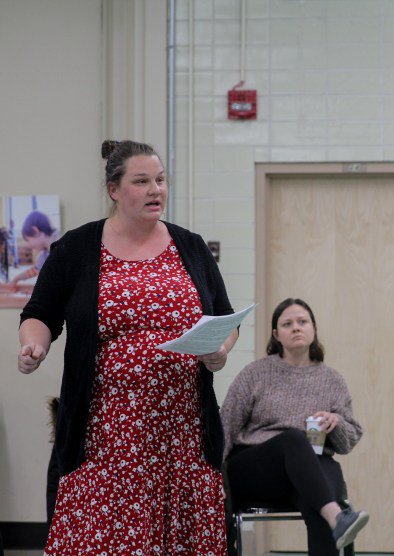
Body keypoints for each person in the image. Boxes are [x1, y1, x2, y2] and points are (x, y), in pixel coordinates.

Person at [18, 139, 238, 555]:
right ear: (114, 190)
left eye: (160, 179)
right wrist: (34, 346)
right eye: (141, 181)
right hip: (107, 429)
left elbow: (224, 317)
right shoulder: (77, 248)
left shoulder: (190, 246)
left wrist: (220, 349)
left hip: (183, 431)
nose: (156, 189)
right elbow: (40, 314)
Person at [221, 298, 369, 556]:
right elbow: (225, 426)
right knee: (294, 440)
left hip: (305, 470)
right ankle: (338, 517)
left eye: (303, 322)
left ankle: (333, 518)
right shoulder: (256, 373)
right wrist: (213, 481)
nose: (296, 328)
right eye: (287, 324)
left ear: (313, 328)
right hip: (254, 469)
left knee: (325, 473)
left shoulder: (332, 380)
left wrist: (336, 425)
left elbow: (349, 441)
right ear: (277, 335)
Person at [10, 210, 58, 288]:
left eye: (28, 240)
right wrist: (17, 278)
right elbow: (35, 271)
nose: (28, 245)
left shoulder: (61, 246)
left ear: (36, 231)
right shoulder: (44, 255)